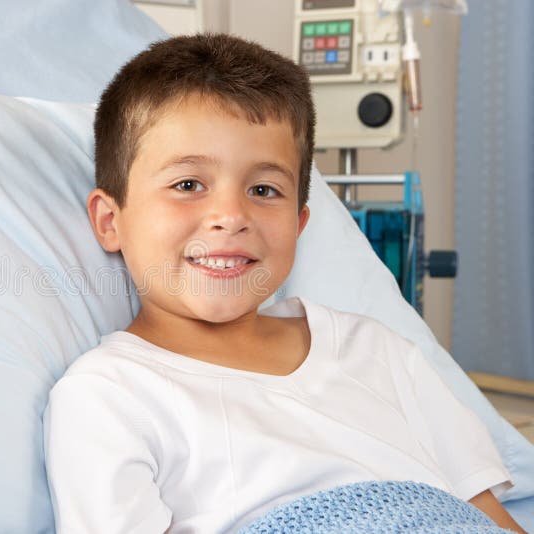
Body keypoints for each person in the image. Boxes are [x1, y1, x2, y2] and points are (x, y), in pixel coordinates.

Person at [43, 33, 524, 533]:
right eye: (188, 185)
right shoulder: (107, 397)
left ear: (298, 223)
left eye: (264, 189)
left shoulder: (378, 354)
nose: (230, 216)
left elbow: (487, 518)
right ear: (109, 220)